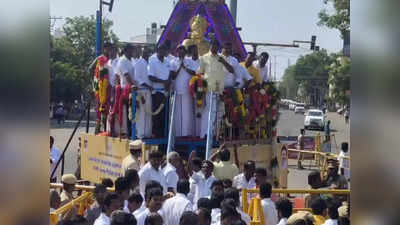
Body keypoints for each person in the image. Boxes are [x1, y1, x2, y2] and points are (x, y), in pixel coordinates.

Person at [197, 39, 234, 139]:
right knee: (209, 111)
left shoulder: (222, 58)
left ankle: (213, 134)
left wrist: (223, 62)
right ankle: (205, 134)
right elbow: (199, 73)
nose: (215, 47)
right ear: (210, 45)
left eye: (217, 46)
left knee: (217, 114)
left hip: (220, 91)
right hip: (209, 90)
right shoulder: (204, 57)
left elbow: (231, 70)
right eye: (214, 45)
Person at [171, 45, 197, 137]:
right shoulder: (173, 62)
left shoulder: (190, 61)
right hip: (177, 90)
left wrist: (185, 68)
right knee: (178, 114)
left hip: (188, 91)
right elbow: (173, 76)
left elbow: (195, 72)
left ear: (185, 52)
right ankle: (178, 134)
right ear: (176, 52)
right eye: (179, 51)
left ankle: (187, 133)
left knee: (187, 113)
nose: (181, 52)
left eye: (183, 50)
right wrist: (179, 68)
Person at [148, 44, 172, 138]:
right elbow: (150, 76)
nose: (163, 51)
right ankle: (157, 136)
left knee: (165, 116)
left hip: (166, 92)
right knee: (157, 116)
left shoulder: (167, 61)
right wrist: (163, 82)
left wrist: (168, 82)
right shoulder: (152, 61)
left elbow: (170, 73)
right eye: (161, 50)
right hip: (157, 92)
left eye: (165, 50)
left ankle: (164, 136)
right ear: (157, 50)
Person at [117, 44, 136, 137]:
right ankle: (128, 133)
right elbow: (127, 76)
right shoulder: (122, 60)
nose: (133, 52)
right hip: (126, 90)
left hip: (134, 90)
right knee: (128, 113)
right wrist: (134, 85)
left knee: (134, 112)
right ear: (126, 50)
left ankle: (133, 132)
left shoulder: (132, 60)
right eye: (131, 50)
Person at [134, 48, 153, 139]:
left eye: (148, 52)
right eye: (145, 52)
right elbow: (137, 78)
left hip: (149, 91)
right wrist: (147, 85)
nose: (147, 53)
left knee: (148, 113)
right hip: (141, 90)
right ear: (142, 53)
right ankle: (140, 134)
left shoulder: (149, 63)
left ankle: (147, 133)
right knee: (141, 113)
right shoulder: (139, 63)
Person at [187, 44, 202, 137]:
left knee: (199, 110)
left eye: (196, 49)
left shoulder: (202, 61)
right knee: (189, 111)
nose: (195, 52)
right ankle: (191, 133)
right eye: (193, 50)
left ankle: (198, 133)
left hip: (200, 89)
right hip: (188, 89)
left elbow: (198, 73)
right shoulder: (187, 61)